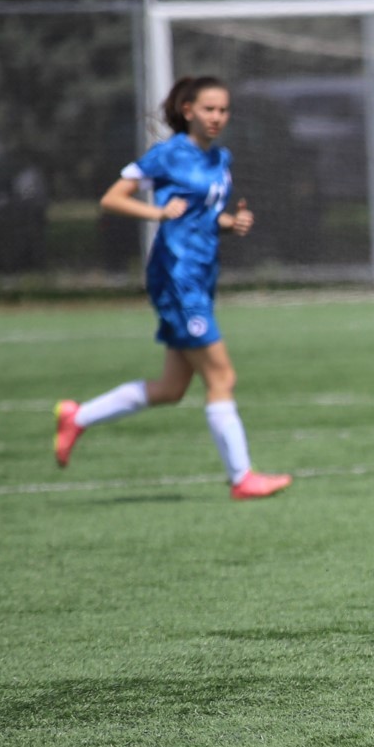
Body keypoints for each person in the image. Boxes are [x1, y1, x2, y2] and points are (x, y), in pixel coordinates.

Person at [53, 76, 291, 501]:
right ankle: (242, 478)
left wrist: (229, 224)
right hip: (177, 278)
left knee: (172, 389)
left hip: (201, 275)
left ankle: (78, 416)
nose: (217, 117)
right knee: (222, 375)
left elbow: (201, 216)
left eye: (223, 110)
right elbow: (112, 198)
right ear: (188, 111)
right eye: (208, 109)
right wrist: (157, 212)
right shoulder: (168, 155)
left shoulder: (220, 158)